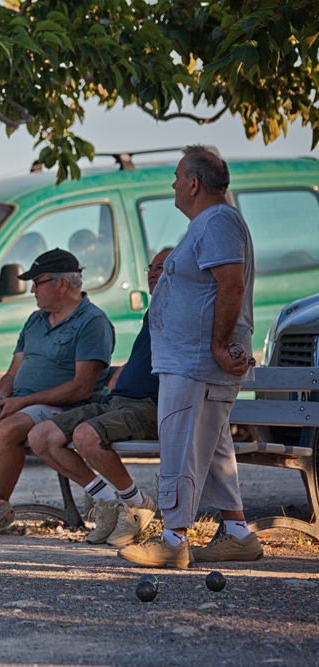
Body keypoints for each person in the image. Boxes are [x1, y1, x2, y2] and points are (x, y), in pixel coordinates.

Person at [120, 145, 263, 568]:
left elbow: (231, 286)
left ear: (195, 183)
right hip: (192, 361)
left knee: (180, 447)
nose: (174, 184)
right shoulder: (211, 222)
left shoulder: (217, 221)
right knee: (214, 448)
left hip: (198, 362)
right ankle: (238, 533)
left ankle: (172, 539)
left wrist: (218, 346)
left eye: (178, 176)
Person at [0, 249, 114, 538]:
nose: (32, 289)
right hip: (21, 403)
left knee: (9, 428)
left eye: (37, 282)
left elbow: (81, 387)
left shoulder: (93, 322)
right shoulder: (35, 319)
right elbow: (12, 371)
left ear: (62, 284)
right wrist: (1, 398)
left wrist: (23, 402)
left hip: (62, 409)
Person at [28, 248, 172, 547]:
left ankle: (136, 505)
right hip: (118, 402)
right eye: (151, 267)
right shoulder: (154, 309)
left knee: (85, 435)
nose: (154, 273)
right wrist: (123, 372)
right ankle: (107, 501)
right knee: (41, 436)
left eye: (164, 267)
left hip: (152, 407)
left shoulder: (184, 310)